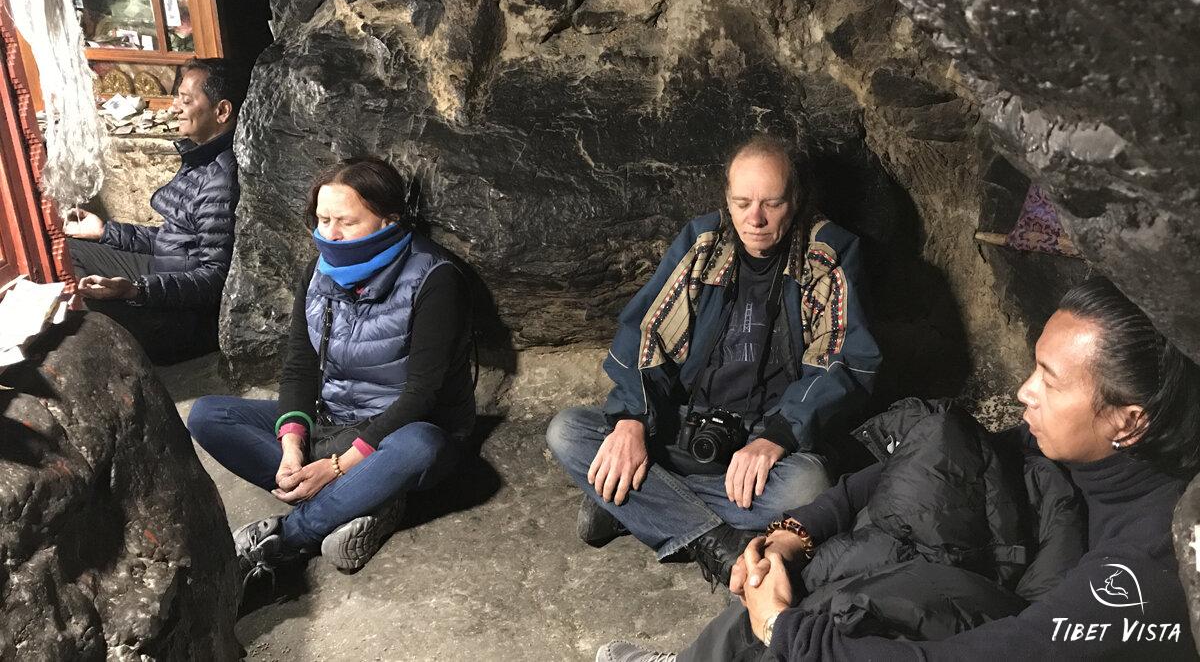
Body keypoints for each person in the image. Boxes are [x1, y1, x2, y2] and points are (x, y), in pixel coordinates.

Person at [599, 277, 1200, 661]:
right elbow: (918, 470)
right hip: (996, 582)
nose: (1023, 391)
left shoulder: (1151, 556)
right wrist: (792, 535)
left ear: (1129, 421)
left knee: (873, 599)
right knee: (867, 540)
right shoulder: (1054, 446)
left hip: (997, 630)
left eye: (1050, 379)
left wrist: (787, 632)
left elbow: (1005, 653)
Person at [547, 134, 881, 587]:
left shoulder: (829, 254)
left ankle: (631, 505)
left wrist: (778, 436)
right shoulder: (703, 243)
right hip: (684, 429)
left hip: (762, 450)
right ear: (727, 199)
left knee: (808, 487)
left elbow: (844, 358)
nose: (755, 219)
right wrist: (631, 421)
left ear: (797, 200)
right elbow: (645, 332)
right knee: (568, 431)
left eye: (772, 203)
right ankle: (715, 540)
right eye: (742, 203)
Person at [185, 156, 475, 580]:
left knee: (420, 445)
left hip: (401, 433)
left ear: (389, 220)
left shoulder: (436, 278)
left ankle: (286, 537)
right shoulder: (318, 271)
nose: (331, 235)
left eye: (346, 221)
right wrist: (292, 447)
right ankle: (362, 502)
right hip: (333, 420)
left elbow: (422, 395)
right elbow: (300, 366)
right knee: (208, 415)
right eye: (322, 220)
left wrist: (336, 467)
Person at [63, 57, 247, 364]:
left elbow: (215, 279)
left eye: (186, 100)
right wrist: (104, 231)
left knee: (90, 308)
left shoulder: (221, 179)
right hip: (166, 276)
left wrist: (136, 291)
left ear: (222, 111)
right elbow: (175, 241)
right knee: (71, 250)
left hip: (184, 319)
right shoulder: (203, 160)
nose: (175, 107)